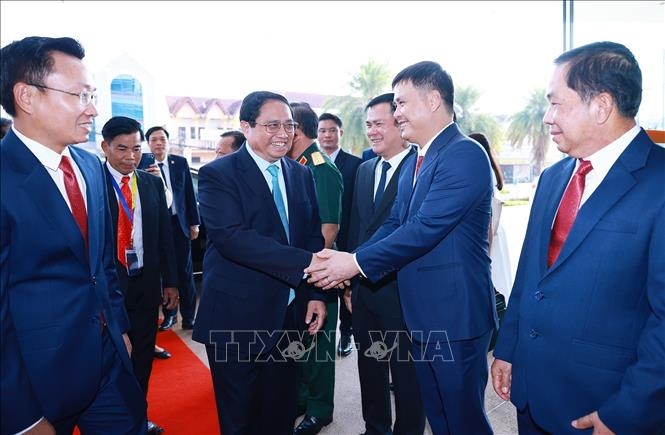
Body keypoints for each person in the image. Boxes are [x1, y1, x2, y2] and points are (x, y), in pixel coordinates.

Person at [305, 60, 497, 435]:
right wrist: (348, 259)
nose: (397, 114)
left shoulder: (464, 153)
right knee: (439, 417)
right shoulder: (417, 160)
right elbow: (396, 223)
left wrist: (354, 264)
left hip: (454, 317)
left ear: (433, 100)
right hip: (420, 315)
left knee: (463, 421)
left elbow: (425, 228)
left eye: (402, 103)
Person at [492, 41, 665, 434]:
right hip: (530, 393)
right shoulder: (553, 178)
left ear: (601, 106)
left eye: (556, 104)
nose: (547, 117)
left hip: (605, 406)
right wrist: (509, 348)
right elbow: (531, 277)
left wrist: (627, 412)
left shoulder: (659, 181)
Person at [0, 36, 146, 434]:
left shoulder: (89, 165)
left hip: (108, 362)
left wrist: (119, 327)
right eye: (81, 95)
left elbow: (101, 264)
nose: (93, 109)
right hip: (37, 381)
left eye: (92, 95)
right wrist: (21, 416)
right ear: (27, 97)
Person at [191, 91, 326, 434]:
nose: (283, 134)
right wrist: (311, 262)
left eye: (289, 125)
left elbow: (312, 235)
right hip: (237, 318)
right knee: (240, 419)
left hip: (290, 316)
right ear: (246, 126)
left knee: (281, 412)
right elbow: (233, 239)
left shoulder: (301, 174)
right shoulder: (218, 174)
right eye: (272, 125)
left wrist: (315, 294)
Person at [346, 92, 424, 435]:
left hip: (402, 290)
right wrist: (349, 283)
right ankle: (375, 428)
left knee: (407, 374)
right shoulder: (365, 169)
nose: (372, 132)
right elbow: (356, 229)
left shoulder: (421, 167)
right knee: (370, 366)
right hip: (364, 289)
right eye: (368, 125)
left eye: (379, 124)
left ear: (400, 122)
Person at [101, 116, 180, 435]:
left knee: (143, 356)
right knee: (110, 358)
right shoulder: (92, 183)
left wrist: (171, 281)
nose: (131, 157)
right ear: (105, 147)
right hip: (108, 290)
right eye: (122, 149)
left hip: (145, 285)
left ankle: (138, 417)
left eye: (136, 149)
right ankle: (111, 420)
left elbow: (164, 238)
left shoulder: (151, 184)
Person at [288, 102, 343, 435]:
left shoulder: (319, 166)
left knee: (318, 345)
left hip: (318, 271)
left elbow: (329, 229)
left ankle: (320, 409)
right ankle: (303, 397)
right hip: (299, 269)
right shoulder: (296, 164)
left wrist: (308, 269)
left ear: (296, 129)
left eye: (284, 125)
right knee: (301, 341)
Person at [145, 126, 200, 331]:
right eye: (154, 140)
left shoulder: (180, 163)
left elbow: (189, 195)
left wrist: (194, 223)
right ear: (148, 144)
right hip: (157, 227)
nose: (159, 143)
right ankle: (169, 316)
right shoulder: (143, 165)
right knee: (164, 273)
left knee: (185, 272)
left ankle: (189, 316)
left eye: (162, 139)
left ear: (168, 142)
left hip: (179, 224)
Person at [317, 112, 361, 358]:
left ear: (340, 133)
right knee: (323, 287)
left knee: (346, 287)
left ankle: (346, 333)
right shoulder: (310, 162)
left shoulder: (356, 164)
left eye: (332, 130)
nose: (327, 135)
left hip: (346, 237)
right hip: (321, 236)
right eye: (322, 130)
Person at [469, 132, 513, 301]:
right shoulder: (491, 167)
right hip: (496, 228)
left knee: (493, 273)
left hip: (489, 228)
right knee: (500, 272)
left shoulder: (480, 168)